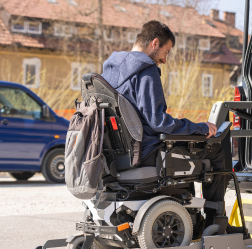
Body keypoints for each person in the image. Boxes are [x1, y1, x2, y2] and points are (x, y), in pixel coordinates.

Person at [101, 20, 237, 232]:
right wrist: (201, 127)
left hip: (118, 156)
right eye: (166, 51)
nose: (164, 59)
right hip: (145, 152)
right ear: (154, 43)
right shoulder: (146, 70)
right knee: (216, 148)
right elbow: (159, 123)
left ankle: (194, 219)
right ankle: (215, 222)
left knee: (188, 151)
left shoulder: (109, 70)